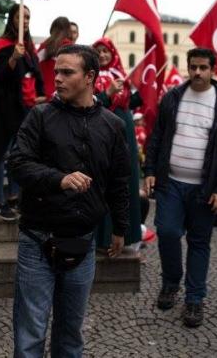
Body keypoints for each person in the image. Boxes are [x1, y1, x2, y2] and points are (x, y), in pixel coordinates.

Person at [7, 44, 130, 357]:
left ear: (89, 77)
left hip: (82, 242)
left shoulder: (112, 125)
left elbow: (119, 181)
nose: (57, 78)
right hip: (37, 239)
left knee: (70, 336)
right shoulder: (40, 116)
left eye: (67, 72)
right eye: (56, 71)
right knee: (30, 337)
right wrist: (58, 179)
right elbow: (18, 164)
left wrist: (120, 227)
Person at [143, 48, 217, 328]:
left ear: (213, 70)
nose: (197, 72)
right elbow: (157, 135)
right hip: (171, 183)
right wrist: (150, 170)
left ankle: (195, 299)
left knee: (199, 243)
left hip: (205, 188)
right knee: (168, 232)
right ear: (187, 68)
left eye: (203, 68)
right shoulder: (173, 97)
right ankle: (171, 282)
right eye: (193, 67)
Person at [0, 4, 45, 221]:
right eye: (20, 16)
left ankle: (14, 197)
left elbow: (35, 76)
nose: (25, 21)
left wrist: (40, 95)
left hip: (25, 110)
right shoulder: (3, 45)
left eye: (28, 17)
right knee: (0, 154)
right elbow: (0, 77)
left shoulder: (29, 48)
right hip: (5, 109)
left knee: (19, 155)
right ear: (11, 19)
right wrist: (12, 58)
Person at [92, 37, 142, 251]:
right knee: (101, 181)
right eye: (98, 51)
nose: (103, 55)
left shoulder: (121, 75)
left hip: (124, 131)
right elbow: (91, 105)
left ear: (113, 52)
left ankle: (124, 234)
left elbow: (132, 102)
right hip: (101, 131)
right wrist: (108, 93)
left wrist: (146, 88)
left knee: (124, 180)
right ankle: (100, 237)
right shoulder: (89, 76)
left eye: (106, 51)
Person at [37, 16, 73, 99]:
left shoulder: (42, 46)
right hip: (59, 95)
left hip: (40, 95)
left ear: (52, 28)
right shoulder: (69, 46)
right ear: (68, 30)